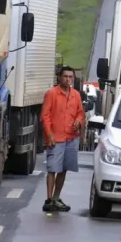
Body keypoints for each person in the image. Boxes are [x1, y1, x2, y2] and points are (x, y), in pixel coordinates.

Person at [40, 66, 85, 212]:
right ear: (59, 77)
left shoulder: (76, 95)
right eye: (65, 76)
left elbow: (80, 113)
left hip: (71, 138)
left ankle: (56, 197)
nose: (68, 79)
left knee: (64, 169)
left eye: (70, 77)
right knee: (53, 168)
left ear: (74, 78)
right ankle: (48, 200)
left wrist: (78, 121)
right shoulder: (52, 94)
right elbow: (45, 116)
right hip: (56, 137)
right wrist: (49, 134)